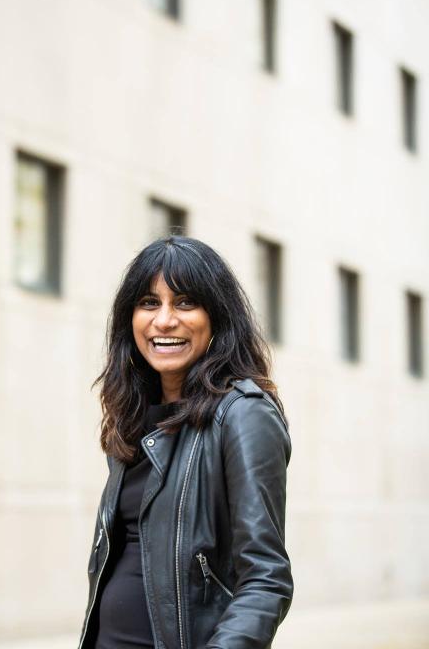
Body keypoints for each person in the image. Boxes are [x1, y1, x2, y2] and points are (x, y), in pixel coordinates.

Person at [78, 236, 293, 649]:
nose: (164, 320)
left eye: (185, 302)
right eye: (148, 302)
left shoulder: (243, 414)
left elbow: (266, 578)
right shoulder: (136, 416)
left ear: (216, 317)